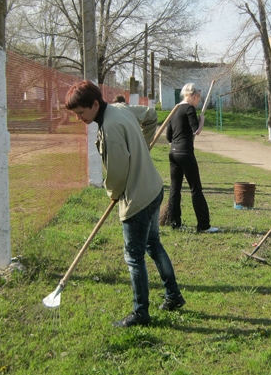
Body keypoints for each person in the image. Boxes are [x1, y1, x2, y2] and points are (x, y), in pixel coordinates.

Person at [65, 80, 185, 327]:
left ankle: (141, 313)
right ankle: (173, 296)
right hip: (154, 188)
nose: (79, 119)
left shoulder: (110, 128)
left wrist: (113, 192)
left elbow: (117, 175)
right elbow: (150, 115)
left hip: (138, 198)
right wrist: (143, 144)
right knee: (153, 244)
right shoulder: (121, 109)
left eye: (81, 113)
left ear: (95, 104)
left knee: (134, 257)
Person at [165, 83, 219, 233]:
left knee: (175, 189)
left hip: (173, 153)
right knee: (196, 189)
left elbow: (169, 137)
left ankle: (175, 223)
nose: (198, 102)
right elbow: (197, 130)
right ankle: (204, 225)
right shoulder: (189, 108)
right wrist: (201, 120)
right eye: (198, 99)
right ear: (193, 96)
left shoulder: (175, 109)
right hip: (185, 154)